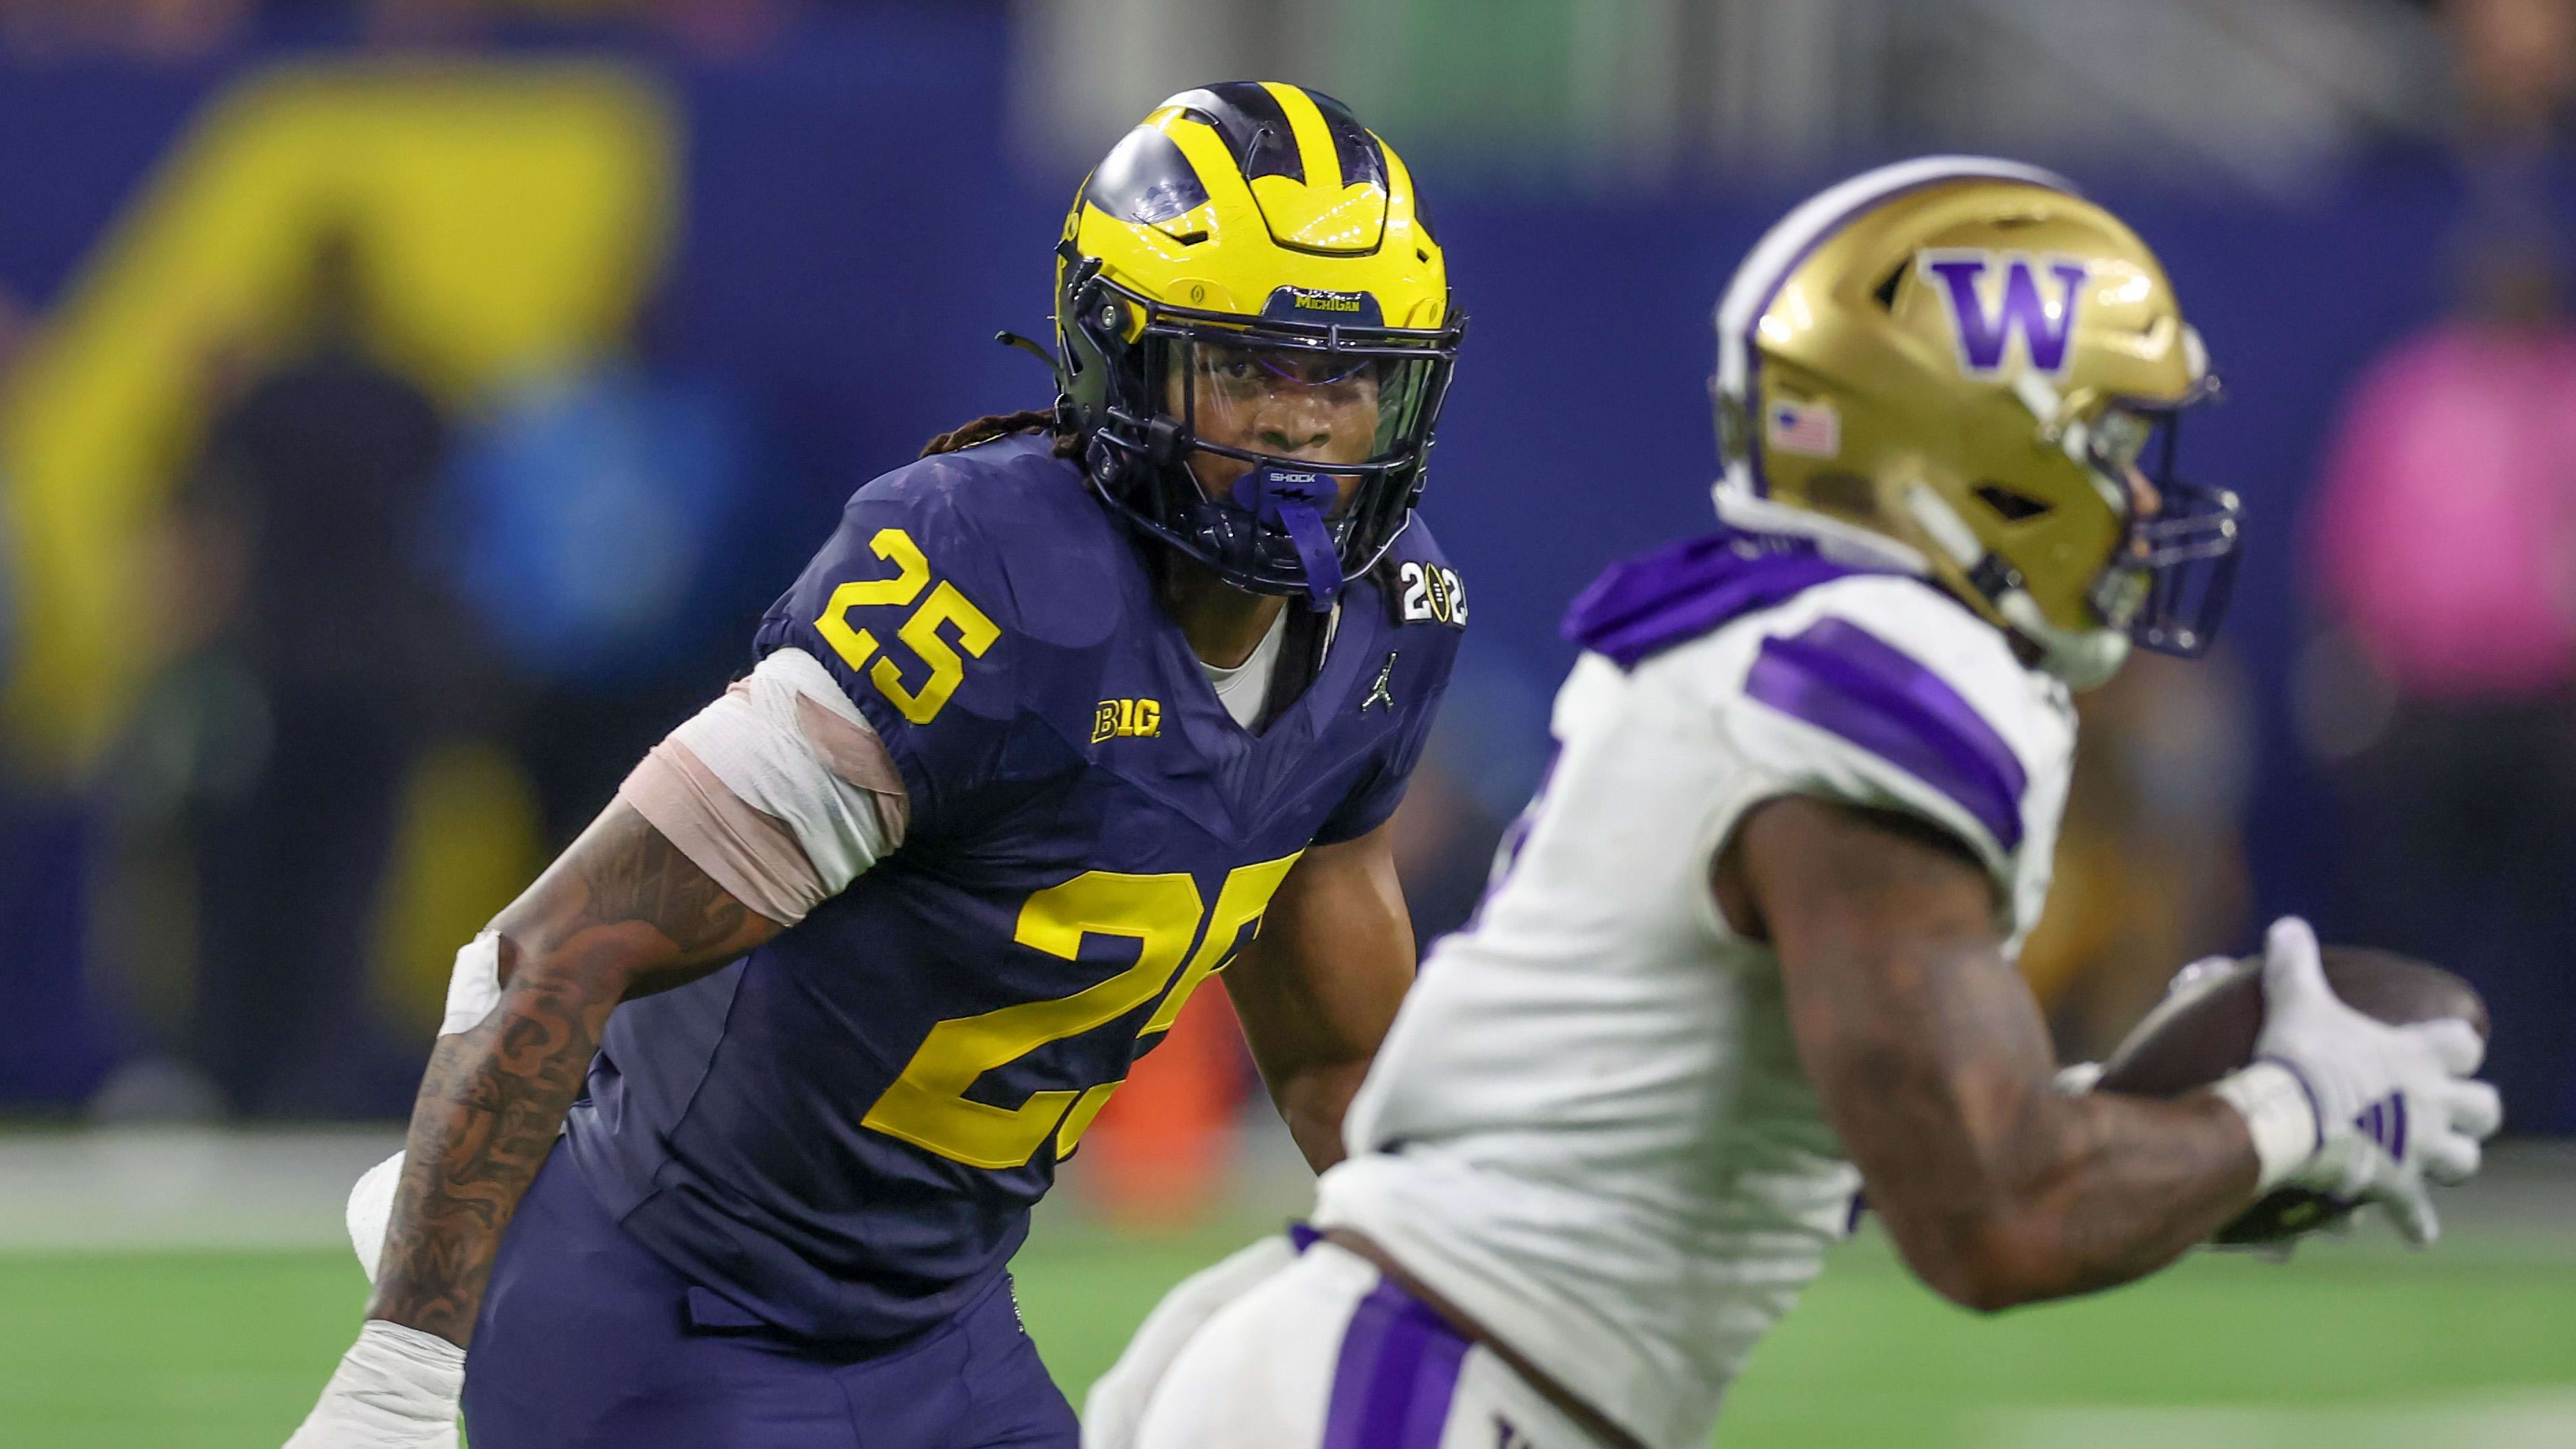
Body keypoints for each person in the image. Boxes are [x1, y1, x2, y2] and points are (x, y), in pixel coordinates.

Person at [1084, 158, 2503, 1449]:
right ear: (1988, 442)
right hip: (1416, 1392)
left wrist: (2189, 1125)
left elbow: (1923, 1125)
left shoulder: (1773, 640)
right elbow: (1993, 1214)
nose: (2138, 503)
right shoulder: (1886, 671)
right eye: (2107, 444)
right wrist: (2296, 1112)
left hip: (1379, 1359)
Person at [282, 82, 1468, 1449]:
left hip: (937, 1317)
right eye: (1253, 367)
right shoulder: (991, 590)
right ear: (1122, 357)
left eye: (1346, 374)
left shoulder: (1390, 623)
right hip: (670, 1293)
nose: (1304, 426)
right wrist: (397, 1373)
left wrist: (1471, 1316)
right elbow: (543, 950)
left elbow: (1335, 1062)